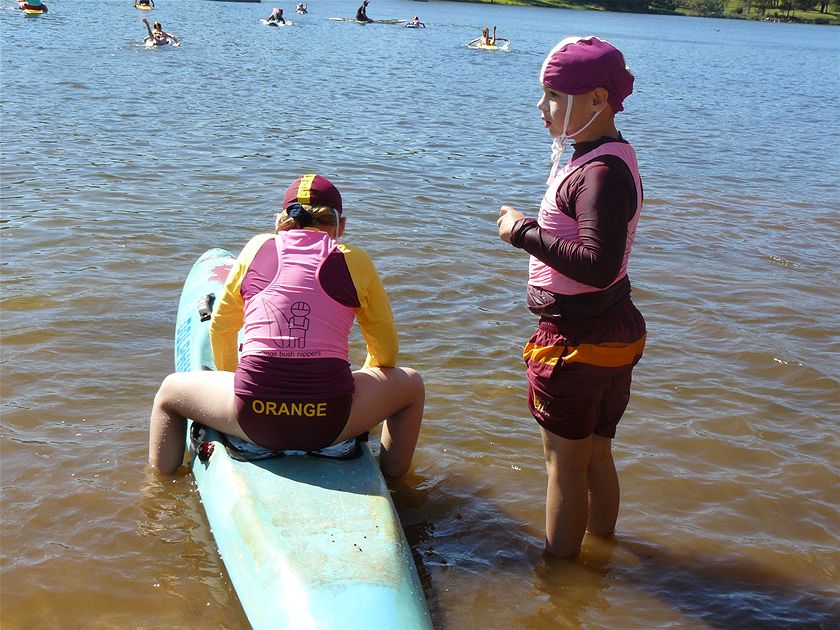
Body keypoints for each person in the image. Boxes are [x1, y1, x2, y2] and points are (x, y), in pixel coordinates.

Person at [149, 174, 425, 477]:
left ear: (279, 222)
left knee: (168, 394)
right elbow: (386, 355)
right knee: (411, 385)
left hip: (253, 419)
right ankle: (395, 481)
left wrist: (237, 383)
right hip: (331, 422)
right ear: (341, 226)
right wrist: (357, 393)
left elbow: (221, 329)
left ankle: (160, 488)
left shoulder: (256, 247)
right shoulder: (356, 261)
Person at [496, 36, 646, 558]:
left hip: (577, 341)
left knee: (564, 468)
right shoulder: (607, 156)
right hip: (612, 330)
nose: (542, 107)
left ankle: (556, 576)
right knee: (596, 456)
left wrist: (522, 232)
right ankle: (599, 561)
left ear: (598, 100)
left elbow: (598, 266)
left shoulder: (599, 174)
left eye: (555, 96)